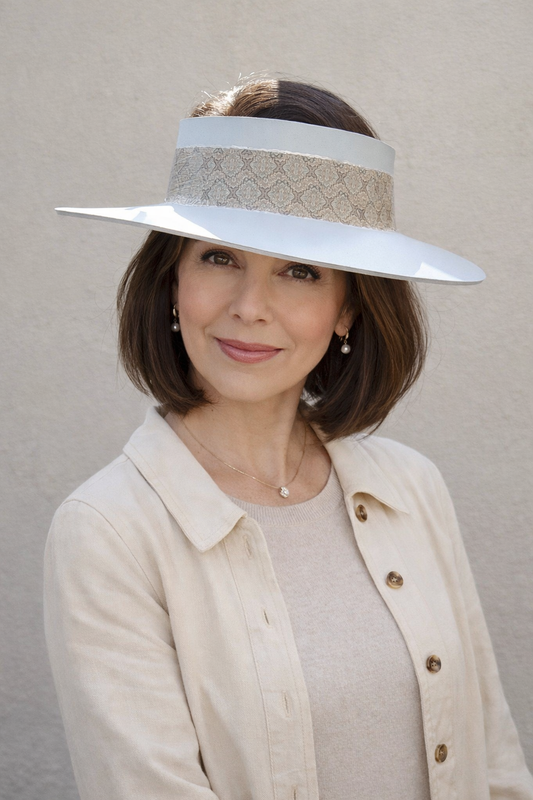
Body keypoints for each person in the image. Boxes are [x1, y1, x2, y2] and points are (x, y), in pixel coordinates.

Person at [43, 77, 533, 800]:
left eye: (299, 272)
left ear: (347, 309)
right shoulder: (109, 532)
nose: (249, 308)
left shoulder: (409, 488)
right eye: (218, 257)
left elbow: (490, 761)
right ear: (171, 280)